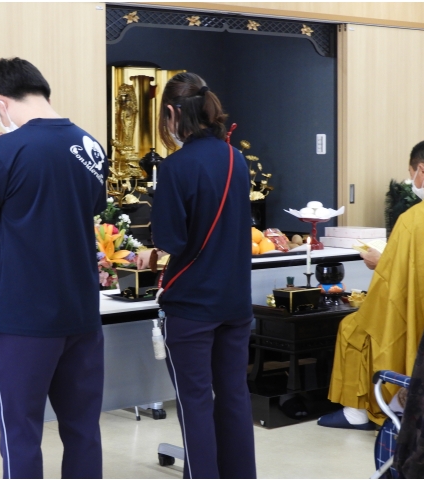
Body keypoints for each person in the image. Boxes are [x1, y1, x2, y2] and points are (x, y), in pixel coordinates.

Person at [0, 57, 107, 478]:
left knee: (20, 433)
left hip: (24, 319)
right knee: (83, 429)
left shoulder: (5, 149)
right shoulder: (91, 146)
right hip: (81, 313)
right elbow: (92, 209)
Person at [137, 72, 256, 479]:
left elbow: (171, 238)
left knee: (195, 403)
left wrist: (153, 251)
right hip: (235, 303)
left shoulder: (175, 168)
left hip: (191, 307)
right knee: (234, 397)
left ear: (172, 113)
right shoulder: (237, 160)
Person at [318, 140, 424, 429]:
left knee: (354, 328)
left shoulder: (415, 219)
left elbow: (398, 281)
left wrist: (381, 262)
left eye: (411, 174)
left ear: (423, 171)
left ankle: (356, 413)